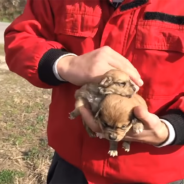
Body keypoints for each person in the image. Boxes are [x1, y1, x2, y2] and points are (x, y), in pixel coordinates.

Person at [4, 0, 184, 183]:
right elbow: (20, 37)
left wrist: (174, 128)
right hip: (71, 167)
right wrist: (65, 64)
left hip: (157, 171)